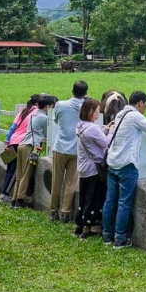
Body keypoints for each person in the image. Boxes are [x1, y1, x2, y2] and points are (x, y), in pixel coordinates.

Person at [102, 91, 146, 249]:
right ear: (140, 103)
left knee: (110, 201)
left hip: (112, 162)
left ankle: (107, 234)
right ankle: (120, 238)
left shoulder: (121, 114)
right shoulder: (135, 116)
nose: (145, 108)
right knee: (124, 203)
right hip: (126, 164)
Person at [50, 80, 88, 223]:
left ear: (72, 91)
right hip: (77, 149)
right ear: (85, 94)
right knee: (71, 182)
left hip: (60, 147)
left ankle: (53, 211)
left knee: (56, 180)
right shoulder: (87, 107)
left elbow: (56, 120)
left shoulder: (60, 105)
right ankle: (66, 212)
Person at [73, 98, 110, 239]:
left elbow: (93, 137)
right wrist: (111, 130)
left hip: (82, 168)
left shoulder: (80, 126)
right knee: (93, 198)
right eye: (97, 110)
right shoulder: (93, 128)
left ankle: (79, 225)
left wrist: (103, 129)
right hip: (93, 169)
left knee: (83, 198)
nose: (99, 113)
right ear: (90, 112)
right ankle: (88, 228)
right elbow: (106, 143)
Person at [12, 94, 56, 208]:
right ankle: (20, 200)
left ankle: (14, 198)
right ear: (47, 107)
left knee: (19, 173)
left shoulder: (33, 114)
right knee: (27, 173)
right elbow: (48, 135)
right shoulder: (45, 118)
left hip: (22, 144)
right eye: (51, 106)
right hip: (32, 147)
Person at [0, 94, 40, 204]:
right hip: (22, 142)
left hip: (12, 141)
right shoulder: (36, 113)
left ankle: (3, 193)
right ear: (37, 103)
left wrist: (7, 141)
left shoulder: (23, 111)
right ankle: (5, 194)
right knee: (16, 170)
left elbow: (13, 127)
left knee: (10, 168)